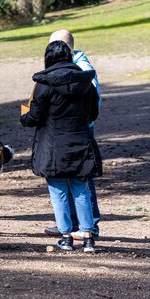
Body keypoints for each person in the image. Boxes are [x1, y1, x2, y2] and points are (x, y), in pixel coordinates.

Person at [21, 41, 102, 252]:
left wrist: (23, 113)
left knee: (58, 192)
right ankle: (88, 238)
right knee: (82, 190)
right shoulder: (87, 83)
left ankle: (65, 237)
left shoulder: (43, 85)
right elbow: (93, 114)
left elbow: (33, 117)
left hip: (52, 147)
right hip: (80, 143)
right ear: (69, 56)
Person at [43, 29, 102, 240]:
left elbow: (94, 103)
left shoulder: (84, 70)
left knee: (81, 181)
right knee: (71, 180)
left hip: (79, 129)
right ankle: (70, 224)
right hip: (72, 128)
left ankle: (90, 225)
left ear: (64, 49)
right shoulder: (74, 68)